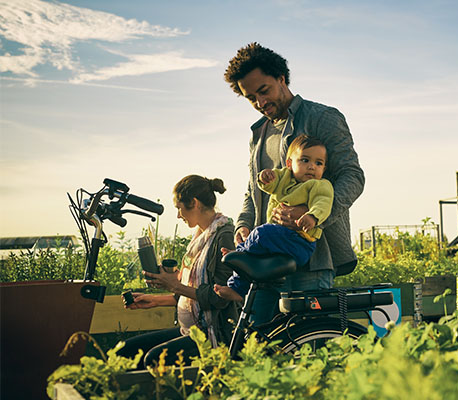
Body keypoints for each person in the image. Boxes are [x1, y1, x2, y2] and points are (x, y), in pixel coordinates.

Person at [223, 43, 365, 324]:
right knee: (260, 342)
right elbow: (253, 190)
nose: (260, 103)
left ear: (281, 79)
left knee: (309, 346)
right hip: (266, 264)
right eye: (251, 97)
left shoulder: (323, 118)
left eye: (264, 91)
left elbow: (353, 175)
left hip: (310, 262)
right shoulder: (258, 133)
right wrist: (243, 224)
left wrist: (313, 216)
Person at [118, 175, 239, 368]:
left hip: (212, 333)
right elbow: (190, 295)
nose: (178, 215)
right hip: (189, 329)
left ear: (194, 203)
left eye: (179, 208)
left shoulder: (223, 237)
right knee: (124, 351)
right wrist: (154, 301)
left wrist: (174, 285)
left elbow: (220, 297)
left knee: (154, 359)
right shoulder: (200, 238)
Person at [215, 134, 333, 302]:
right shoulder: (285, 178)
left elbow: (323, 202)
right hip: (280, 243)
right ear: (290, 164)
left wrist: (313, 216)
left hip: (300, 243)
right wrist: (265, 177)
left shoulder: (319, 185)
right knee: (256, 254)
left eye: (318, 163)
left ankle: (240, 254)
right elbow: (269, 184)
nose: (312, 167)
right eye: (305, 160)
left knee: (261, 234)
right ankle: (238, 284)